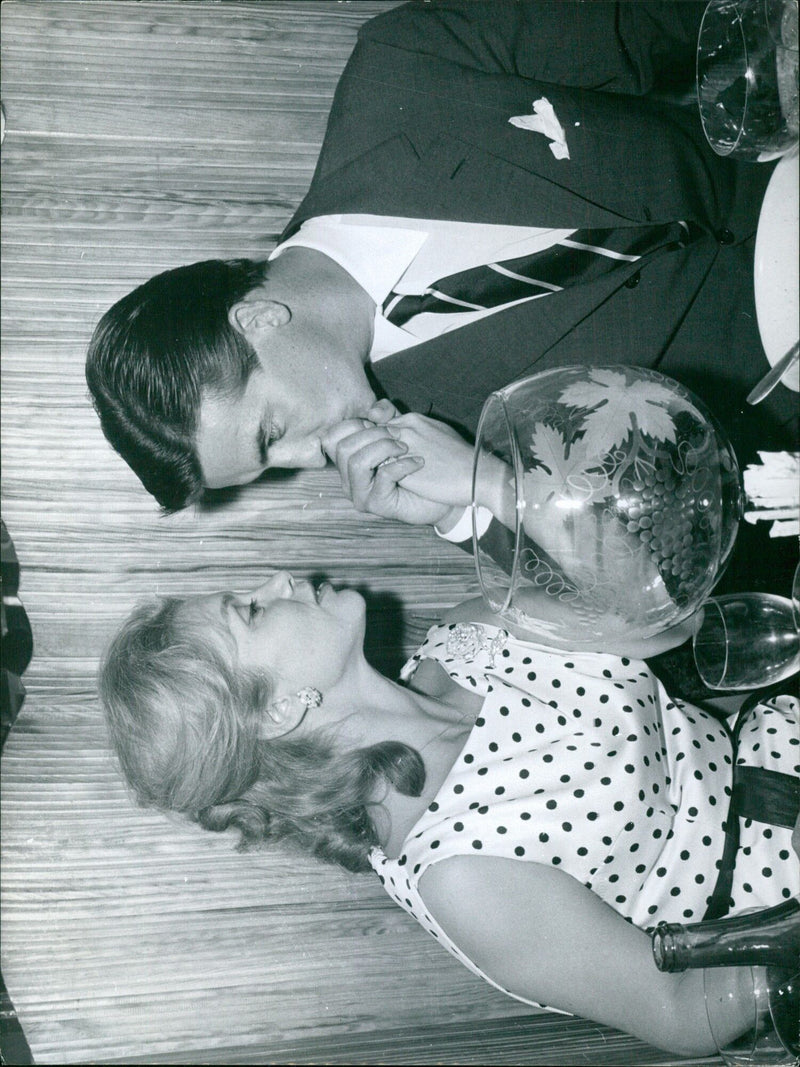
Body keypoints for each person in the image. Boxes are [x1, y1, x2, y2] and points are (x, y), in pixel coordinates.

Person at [85, 0, 797, 526]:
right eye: (271, 465)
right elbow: (653, 587)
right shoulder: (440, 457)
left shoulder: (404, 73)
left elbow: (677, 26)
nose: (308, 461)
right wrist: (457, 515)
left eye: (272, 437)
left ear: (259, 318)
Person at [99, 551, 799, 1052]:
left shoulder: (470, 631)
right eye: (249, 610)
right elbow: (677, 1010)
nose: (278, 578)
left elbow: (676, 626)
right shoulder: (461, 871)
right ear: (279, 709)